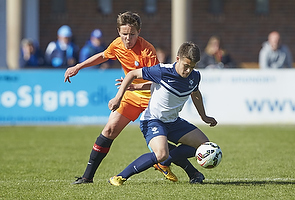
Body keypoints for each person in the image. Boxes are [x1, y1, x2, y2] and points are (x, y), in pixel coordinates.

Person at [65, 11, 197, 185]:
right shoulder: (117, 44)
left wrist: (134, 86)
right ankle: (87, 177)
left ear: (139, 32)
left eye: (132, 34)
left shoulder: (147, 50)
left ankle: (190, 171)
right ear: (118, 32)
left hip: (151, 98)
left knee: (160, 146)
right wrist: (79, 66)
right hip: (131, 96)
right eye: (124, 34)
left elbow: (157, 83)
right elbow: (103, 56)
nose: (128, 38)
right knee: (109, 130)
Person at [108, 41, 217, 186]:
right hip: (153, 120)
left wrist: (204, 116)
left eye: (192, 67)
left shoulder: (195, 76)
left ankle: (164, 162)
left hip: (173, 122)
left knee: (204, 146)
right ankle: (120, 177)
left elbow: (195, 93)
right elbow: (133, 73)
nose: (188, 71)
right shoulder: (162, 70)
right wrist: (118, 97)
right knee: (161, 154)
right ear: (177, 59)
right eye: (186, 66)